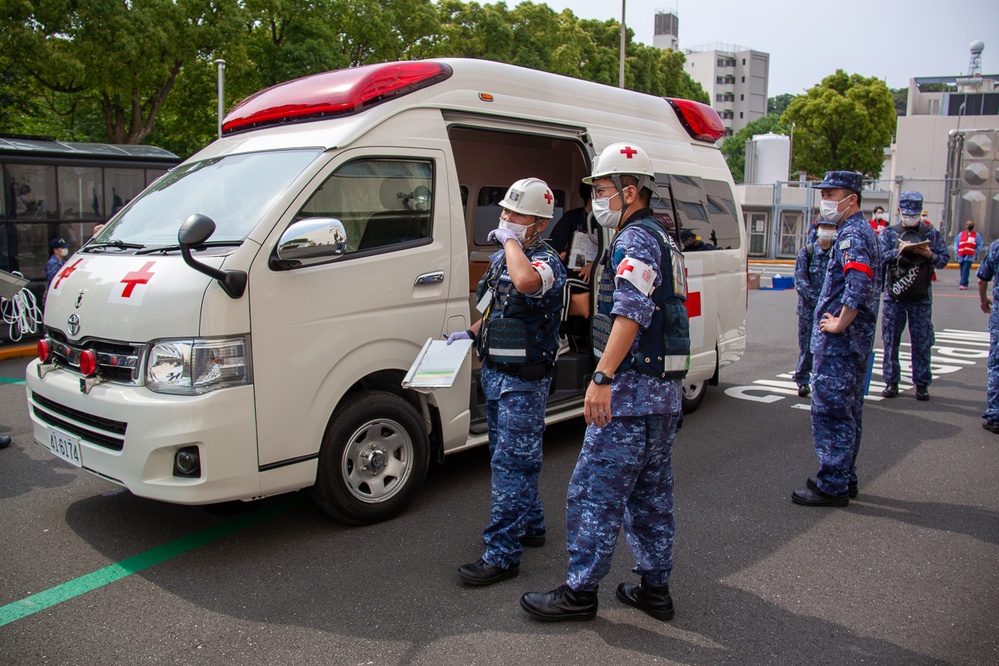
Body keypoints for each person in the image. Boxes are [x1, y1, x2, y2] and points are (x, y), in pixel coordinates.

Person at [521, 143, 689, 622]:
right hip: (663, 393)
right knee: (651, 494)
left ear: (629, 191)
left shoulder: (635, 239)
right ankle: (655, 588)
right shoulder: (664, 237)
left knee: (594, 491)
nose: (596, 198)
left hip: (630, 394)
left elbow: (631, 312)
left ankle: (579, 592)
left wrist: (602, 375)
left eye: (601, 189)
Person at [451, 177, 566, 586]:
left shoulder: (547, 262)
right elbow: (496, 306)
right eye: (504, 211)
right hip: (497, 374)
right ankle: (532, 525)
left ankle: (502, 555)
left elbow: (527, 284)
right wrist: (469, 333)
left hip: (524, 380)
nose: (504, 219)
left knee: (511, 465)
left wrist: (511, 244)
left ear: (538, 223)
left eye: (514, 214)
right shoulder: (504, 258)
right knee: (510, 456)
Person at [792, 171, 880, 507]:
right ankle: (845, 477)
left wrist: (841, 322)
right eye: (824, 193)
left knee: (831, 412)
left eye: (832, 193)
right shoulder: (858, 231)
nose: (826, 200)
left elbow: (857, 282)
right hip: (854, 343)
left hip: (842, 344)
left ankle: (832, 485)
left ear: (851, 198)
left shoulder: (852, 235)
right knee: (849, 410)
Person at [879, 191, 949, 400]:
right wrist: (897, 251)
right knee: (891, 340)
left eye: (914, 214)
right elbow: (880, 257)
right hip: (895, 295)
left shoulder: (931, 233)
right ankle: (891, 382)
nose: (910, 217)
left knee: (921, 340)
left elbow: (944, 259)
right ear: (900, 211)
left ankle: (921, 383)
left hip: (921, 296)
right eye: (907, 213)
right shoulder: (890, 232)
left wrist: (930, 255)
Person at [792, 218, 836, 396]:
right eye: (824, 227)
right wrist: (818, 301)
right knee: (807, 347)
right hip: (809, 310)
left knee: (830, 349)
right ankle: (802, 379)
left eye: (831, 227)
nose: (827, 230)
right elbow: (800, 282)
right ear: (817, 229)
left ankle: (824, 382)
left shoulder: (838, 252)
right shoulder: (807, 252)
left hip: (831, 312)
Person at [976, 238, 999, 433]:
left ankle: (995, 414)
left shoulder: (997, 246)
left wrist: (983, 300)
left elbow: (982, 278)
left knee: (997, 366)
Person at [954, 220, 983, 290]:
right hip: (961, 255)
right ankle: (965, 282)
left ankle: (962, 284)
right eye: (968, 224)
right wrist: (956, 251)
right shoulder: (961, 234)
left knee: (965, 269)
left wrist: (975, 252)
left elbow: (980, 245)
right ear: (966, 226)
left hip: (969, 256)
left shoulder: (976, 235)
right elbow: (956, 242)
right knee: (962, 270)